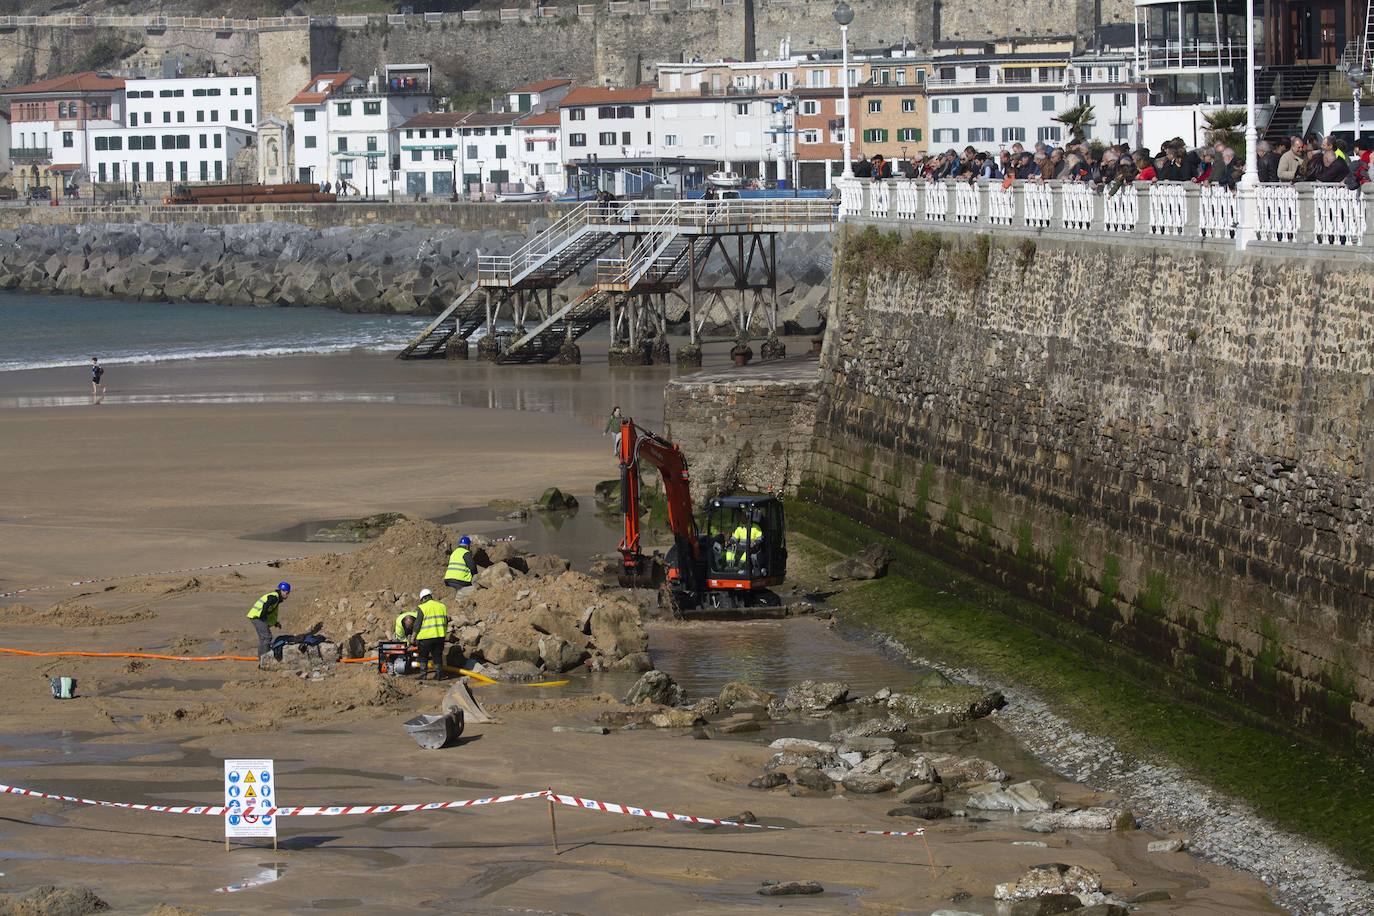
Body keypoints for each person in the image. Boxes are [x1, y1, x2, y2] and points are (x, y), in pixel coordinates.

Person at [412, 588, 450, 680]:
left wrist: (413, 636)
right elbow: (446, 621)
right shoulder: (442, 606)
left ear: (423, 599)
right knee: (437, 656)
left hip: (426, 638)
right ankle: (439, 675)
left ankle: (423, 675)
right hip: (440, 636)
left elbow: (418, 624)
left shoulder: (422, 607)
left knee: (423, 657)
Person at [247, 582, 290, 658]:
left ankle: (261, 657)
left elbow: (271, 613)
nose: (286, 595)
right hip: (257, 617)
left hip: (256, 616)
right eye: (285, 592)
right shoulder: (274, 597)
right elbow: (266, 604)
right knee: (267, 637)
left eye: (288, 593)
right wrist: (263, 617)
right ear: (281, 591)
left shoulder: (277, 599)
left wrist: (275, 623)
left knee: (263, 638)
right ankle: (265, 658)